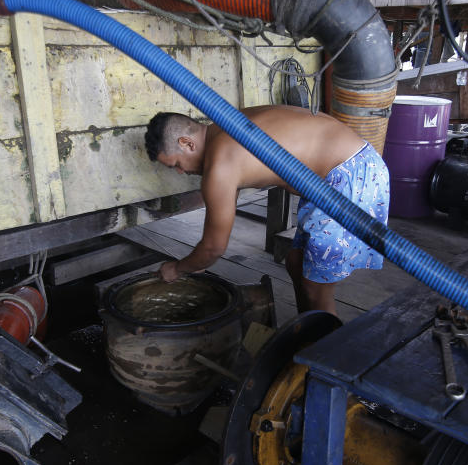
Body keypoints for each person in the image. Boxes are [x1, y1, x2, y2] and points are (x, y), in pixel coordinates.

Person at [144, 105, 389, 316]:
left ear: (186, 143)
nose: (180, 172)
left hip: (348, 176)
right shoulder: (225, 127)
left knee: (316, 288)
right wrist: (197, 262)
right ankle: (309, 334)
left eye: (176, 164)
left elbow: (213, 247)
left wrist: (176, 268)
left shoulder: (220, 165)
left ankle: (325, 362)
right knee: (296, 262)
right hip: (348, 169)